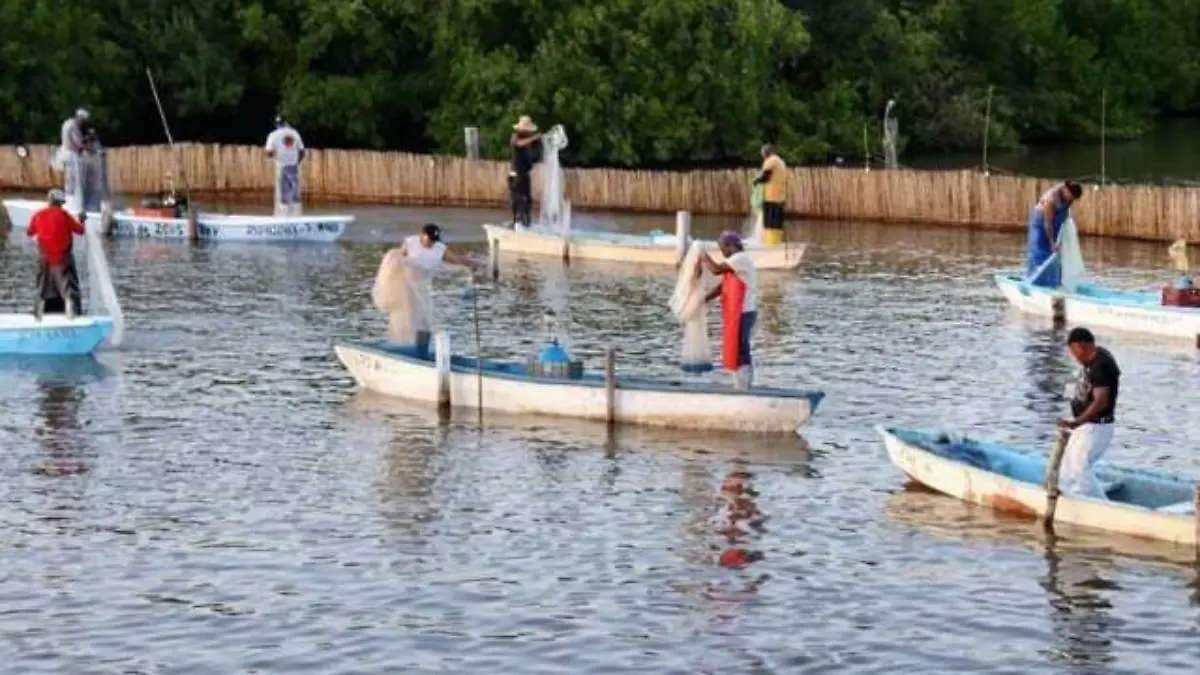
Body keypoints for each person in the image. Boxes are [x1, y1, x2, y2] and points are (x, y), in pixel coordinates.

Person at [374, 224, 482, 356]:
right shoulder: (410, 242)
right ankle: (405, 348)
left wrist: (471, 263)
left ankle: (421, 351)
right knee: (407, 319)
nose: (432, 243)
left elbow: (456, 260)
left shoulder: (440, 248)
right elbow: (397, 258)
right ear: (423, 235)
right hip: (407, 288)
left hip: (423, 289)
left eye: (434, 240)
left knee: (425, 321)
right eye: (430, 239)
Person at [1056, 327, 1120, 498]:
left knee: (1079, 466)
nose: (1075, 358)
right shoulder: (1093, 360)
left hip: (1096, 427)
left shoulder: (1101, 365)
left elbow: (1101, 402)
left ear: (1082, 346)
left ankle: (1101, 506)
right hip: (1085, 425)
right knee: (1066, 466)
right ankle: (1064, 496)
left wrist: (1076, 422)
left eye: (1074, 352)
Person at [698, 231, 758, 389]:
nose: (722, 252)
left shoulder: (740, 259)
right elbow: (722, 286)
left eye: (722, 248)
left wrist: (702, 254)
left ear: (731, 246)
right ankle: (740, 382)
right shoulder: (735, 261)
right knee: (737, 346)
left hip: (744, 312)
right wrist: (704, 299)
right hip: (740, 312)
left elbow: (716, 270)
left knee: (740, 347)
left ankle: (744, 386)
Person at [27, 189, 85, 319]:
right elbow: (80, 230)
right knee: (67, 286)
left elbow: (30, 232)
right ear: (60, 203)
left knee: (41, 285)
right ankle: (71, 311)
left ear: (49, 200)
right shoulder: (64, 215)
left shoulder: (38, 215)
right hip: (62, 259)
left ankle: (38, 313)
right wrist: (81, 220)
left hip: (44, 259)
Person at [1026, 181, 1083, 287]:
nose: (1071, 200)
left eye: (1073, 198)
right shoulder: (1051, 200)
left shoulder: (1069, 197)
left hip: (1055, 223)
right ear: (1066, 190)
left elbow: (1064, 214)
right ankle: (1036, 284)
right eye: (1071, 197)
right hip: (1041, 223)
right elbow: (1047, 224)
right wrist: (1052, 243)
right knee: (1040, 253)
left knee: (1056, 256)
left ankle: (1054, 283)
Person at [265, 116, 306, 216]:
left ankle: (282, 217)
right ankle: (297, 216)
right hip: (294, 167)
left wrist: (278, 153)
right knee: (295, 192)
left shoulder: (273, 135)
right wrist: (296, 161)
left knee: (282, 194)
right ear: (287, 123)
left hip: (281, 166)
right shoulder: (295, 133)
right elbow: (302, 152)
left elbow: (269, 153)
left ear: (277, 124)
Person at [54, 109, 90, 214]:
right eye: (83, 120)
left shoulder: (66, 122)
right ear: (80, 117)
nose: (83, 122)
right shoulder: (74, 126)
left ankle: (69, 202)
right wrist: (88, 148)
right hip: (71, 154)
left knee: (69, 179)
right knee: (76, 180)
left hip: (64, 152)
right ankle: (74, 205)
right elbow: (78, 142)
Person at [509, 115, 541, 229]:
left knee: (527, 202)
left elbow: (536, 154)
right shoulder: (515, 137)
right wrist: (533, 138)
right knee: (519, 200)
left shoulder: (530, 141)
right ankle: (517, 225)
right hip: (516, 175)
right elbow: (519, 143)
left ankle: (526, 225)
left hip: (525, 175)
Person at [752, 144, 788, 246]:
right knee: (777, 222)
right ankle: (776, 242)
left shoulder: (771, 160)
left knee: (769, 222)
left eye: (762, 153)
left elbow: (765, 177)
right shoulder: (781, 162)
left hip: (771, 196)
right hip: (780, 196)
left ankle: (770, 244)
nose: (762, 156)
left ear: (766, 152)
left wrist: (756, 181)